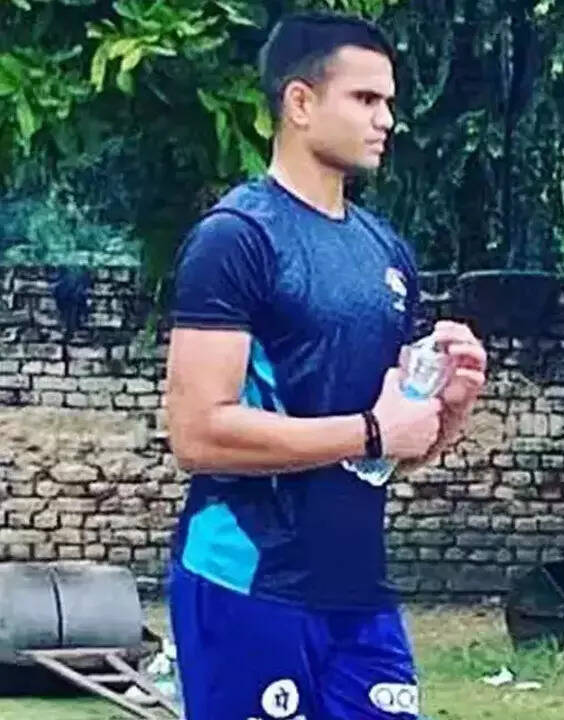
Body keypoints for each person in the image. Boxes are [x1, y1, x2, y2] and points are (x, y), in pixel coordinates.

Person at [163, 13, 486, 720]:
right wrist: (373, 430)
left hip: (358, 591)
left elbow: (383, 455)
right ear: (300, 102)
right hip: (246, 579)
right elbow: (197, 434)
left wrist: (446, 410)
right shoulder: (238, 239)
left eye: (389, 102)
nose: (386, 120)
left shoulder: (386, 254)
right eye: (365, 99)